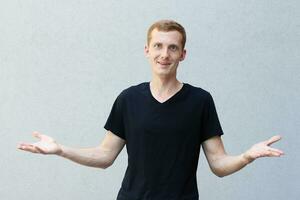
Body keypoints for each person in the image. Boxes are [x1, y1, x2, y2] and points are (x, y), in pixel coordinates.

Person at [18, 19, 284, 200]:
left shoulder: (200, 101)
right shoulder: (128, 99)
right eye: (158, 46)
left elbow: (218, 163)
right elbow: (104, 155)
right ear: (147, 50)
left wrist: (247, 156)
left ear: (183, 54)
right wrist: (61, 149)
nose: (164, 54)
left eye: (172, 47)